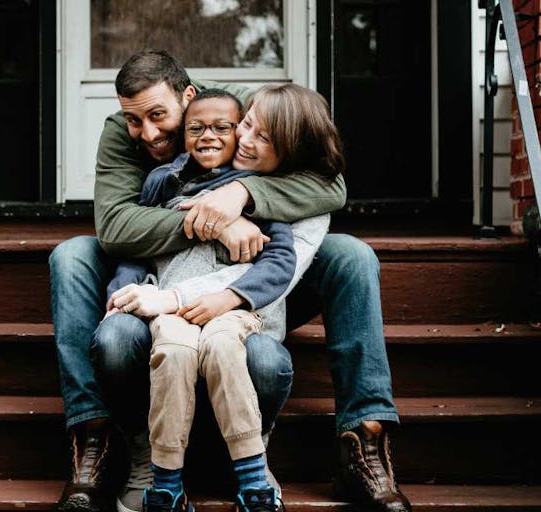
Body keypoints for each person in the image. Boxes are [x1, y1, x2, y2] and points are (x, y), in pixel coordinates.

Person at [49, 49, 411, 512]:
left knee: (352, 255)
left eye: (160, 116)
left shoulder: (243, 111)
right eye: (136, 121)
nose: (150, 133)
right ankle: (94, 437)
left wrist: (243, 192)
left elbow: (330, 187)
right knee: (72, 255)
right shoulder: (124, 132)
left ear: (190, 96)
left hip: (255, 275)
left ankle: (363, 439)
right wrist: (215, 220)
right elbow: (116, 228)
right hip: (160, 271)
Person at [104, 87, 332, 512]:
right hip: (174, 313)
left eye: (227, 128)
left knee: (225, 348)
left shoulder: (263, 189)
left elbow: (279, 262)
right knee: (171, 353)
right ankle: (165, 482)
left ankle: (251, 474)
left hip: (233, 314)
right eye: (197, 128)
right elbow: (136, 245)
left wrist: (227, 295)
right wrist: (124, 290)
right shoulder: (164, 180)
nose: (237, 139)